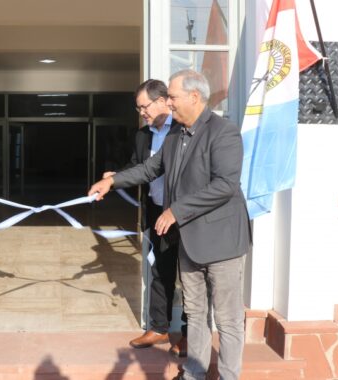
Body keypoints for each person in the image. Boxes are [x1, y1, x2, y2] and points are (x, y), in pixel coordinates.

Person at [89, 69, 251, 380]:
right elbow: (151, 168)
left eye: (173, 97)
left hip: (222, 243)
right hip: (190, 242)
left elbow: (225, 185)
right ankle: (194, 372)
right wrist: (113, 182)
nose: (169, 103)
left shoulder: (224, 132)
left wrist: (176, 211)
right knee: (195, 313)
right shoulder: (176, 134)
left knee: (228, 320)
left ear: (194, 96)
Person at [104, 79, 187, 356]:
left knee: (189, 276)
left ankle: (188, 334)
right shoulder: (142, 135)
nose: (142, 112)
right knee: (159, 271)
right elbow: (137, 167)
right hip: (155, 210)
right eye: (138, 108)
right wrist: (115, 177)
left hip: (183, 213)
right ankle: (159, 327)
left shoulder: (184, 130)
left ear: (163, 100)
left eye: (144, 106)